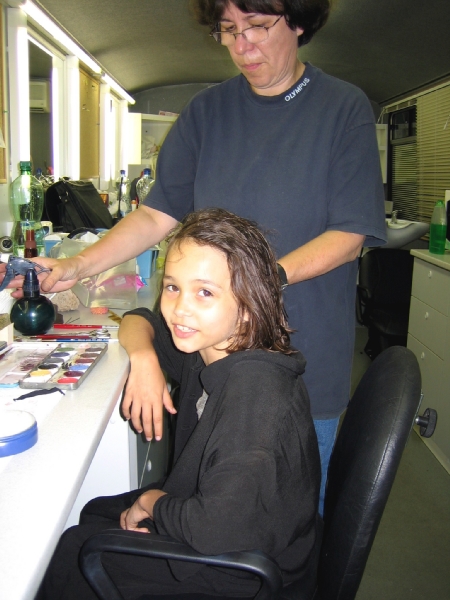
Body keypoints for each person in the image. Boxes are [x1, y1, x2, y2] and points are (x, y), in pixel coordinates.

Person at [1, 0, 386, 512]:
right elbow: (155, 215)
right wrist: (76, 265)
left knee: (285, 522)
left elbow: (351, 233)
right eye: (228, 31)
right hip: (211, 360)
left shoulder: (343, 108)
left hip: (303, 357)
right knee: (206, 506)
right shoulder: (207, 113)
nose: (241, 46)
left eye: (257, 27)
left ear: (297, 22)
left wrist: (256, 281)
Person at [36, 208, 321, 599]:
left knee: (75, 549)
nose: (180, 309)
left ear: (248, 304)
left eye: (205, 292)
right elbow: (138, 319)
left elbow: (219, 531)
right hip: (221, 526)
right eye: (172, 287)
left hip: (237, 573)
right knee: (95, 512)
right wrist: (145, 360)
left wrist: (153, 503)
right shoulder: (210, 345)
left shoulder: (255, 399)